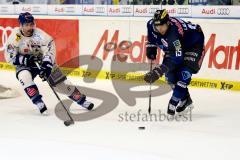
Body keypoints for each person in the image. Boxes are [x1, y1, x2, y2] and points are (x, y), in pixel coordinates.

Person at [4, 12, 94, 115]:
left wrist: (46, 65)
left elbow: (50, 49)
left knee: (60, 83)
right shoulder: (16, 36)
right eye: (26, 25)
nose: (29, 27)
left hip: (42, 61)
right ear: (21, 25)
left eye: (31, 24)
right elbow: (10, 57)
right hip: (25, 64)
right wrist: (25, 60)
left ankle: (81, 100)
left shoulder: (40, 35)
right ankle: (38, 101)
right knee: (24, 76)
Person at [144, 9, 205, 115]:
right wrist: (151, 48)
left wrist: (158, 71)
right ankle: (185, 99)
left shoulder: (174, 35)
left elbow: (177, 59)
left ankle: (175, 100)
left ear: (168, 22)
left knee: (184, 73)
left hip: (194, 45)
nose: (160, 29)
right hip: (175, 47)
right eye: (157, 26)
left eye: (162, 25)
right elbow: (151, 38)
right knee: (170, 76)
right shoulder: (150, 24)